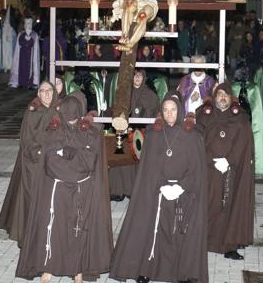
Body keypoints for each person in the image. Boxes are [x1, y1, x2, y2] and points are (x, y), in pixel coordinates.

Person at [110, 93, 208, 283]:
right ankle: (148, 269)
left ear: (179, 111)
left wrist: (181, 186)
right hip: (158, 192)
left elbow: (197, 170)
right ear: (161, 112)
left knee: (178, 233)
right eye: (165, 110)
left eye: (173, 110)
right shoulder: (154, 135)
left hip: (183, 194)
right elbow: (148, 168)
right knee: (151, 230)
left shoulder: (192, 136)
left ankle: (182, 273)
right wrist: (160, 185)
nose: (169, 114)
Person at [15, 95, 112, 283]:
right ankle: (49, 266)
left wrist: (67, 154)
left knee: (79, 229)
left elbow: (89, 161)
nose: (71, 120)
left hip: (82, 190)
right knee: (55, 228)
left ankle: (78, 269)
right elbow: (51, 163)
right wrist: (74, 161)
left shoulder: (91, 132)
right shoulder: (53, 132)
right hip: (58, 191)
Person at [196, 83, 254, 261]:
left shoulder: (240, 119)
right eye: (219, 94)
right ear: (214, 97)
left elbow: (244, 144)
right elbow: (196, 142)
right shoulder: (204, 116)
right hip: (208, 170)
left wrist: (228, 160)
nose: (222, 98)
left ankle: (229, 246)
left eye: (226, 95)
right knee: (208, 205)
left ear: (231, 98)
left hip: (232, 171)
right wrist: (210, 160)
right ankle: (202, 243)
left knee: (229, 207)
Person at [0, 81, 59, 243]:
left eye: (49, 91)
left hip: (52, 162)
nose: (46, 94)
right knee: (31, 198)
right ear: (38, 94)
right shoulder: (33, 112)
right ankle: (30, 234)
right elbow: (26, 140)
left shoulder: (57, 110)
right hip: (34, 162)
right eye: (42, 91)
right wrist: (39, 154)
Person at [109, 69, 159, 201]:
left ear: (144, 78)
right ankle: (118, 190)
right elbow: (115, 111)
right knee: (120, 155)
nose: (137, 78)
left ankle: (134, 191)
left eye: (139, 75)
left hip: (143, 134)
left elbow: (155, 116)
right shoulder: (123, 94)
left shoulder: (151, 96)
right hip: (125, 132)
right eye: (134, 75)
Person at [9, 17, 40, 89]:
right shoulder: (20, 34)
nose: (28, 25)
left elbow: (36, 48)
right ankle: (21, 82)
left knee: (31, 69)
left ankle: (31, 83)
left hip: (31, 56)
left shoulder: (35, 35)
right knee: (22, 68)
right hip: (22, 56)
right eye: (27, 23)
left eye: (30, 23)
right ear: (24, 24)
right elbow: (18, 46)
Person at [0, 8, 17, 73]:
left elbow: (14, 39)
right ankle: (3, 66)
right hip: (3, 46)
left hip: (9, 47)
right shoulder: (1, 30)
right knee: (3, 56)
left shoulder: (12, 30)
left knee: (9, 56)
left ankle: (10, 66)